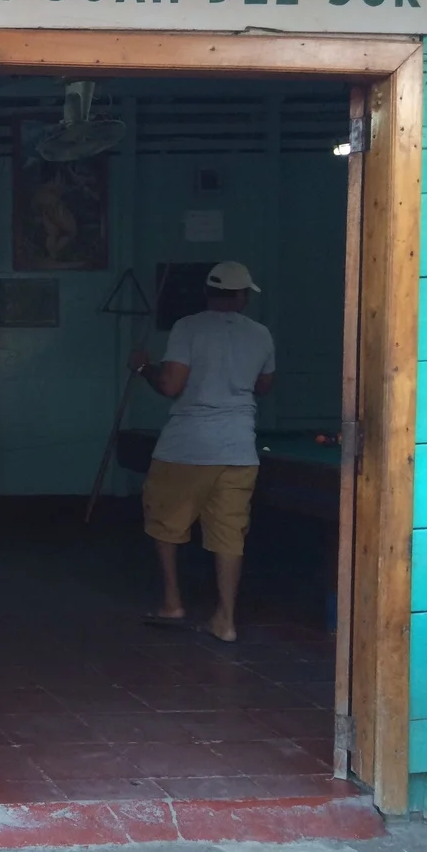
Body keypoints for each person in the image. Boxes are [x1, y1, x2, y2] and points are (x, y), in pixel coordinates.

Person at [127, 261, 275, 643]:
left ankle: (173, 603)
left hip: (186, 446)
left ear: (208, 292)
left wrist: (143, 367)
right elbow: (263, 386)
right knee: (229, 535)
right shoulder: (261, 334)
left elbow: (172, 384)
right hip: (239, 449)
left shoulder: (188, 327)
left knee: (166, 523)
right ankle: (225, 620)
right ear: (241, 296)